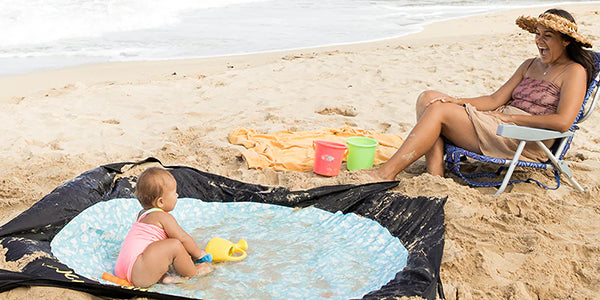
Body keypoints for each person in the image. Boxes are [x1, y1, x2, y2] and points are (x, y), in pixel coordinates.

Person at [372, 8, 596, 181]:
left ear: (566, 41)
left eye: (548, 36)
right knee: (429, 98)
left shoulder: (574, 71)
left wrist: (511, 119)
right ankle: (435, 173)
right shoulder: (529, 65)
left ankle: (386, 173)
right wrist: (456, 100)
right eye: (537, 34)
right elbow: (494, 100)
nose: (539, 41)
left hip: (525, 137)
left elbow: (563, 122)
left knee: (438, 110)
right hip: (499, 123)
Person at [114, 167, 213, 287]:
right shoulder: (163, 217)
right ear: (160, 202)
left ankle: (164, 277)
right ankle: (193, 271)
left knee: (159, 247)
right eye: (174, 193)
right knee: (175, 245)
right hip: (138, 272)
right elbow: (183, 238)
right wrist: (199, 255)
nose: (177, 195)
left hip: (122, 268)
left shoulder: (142, 214)